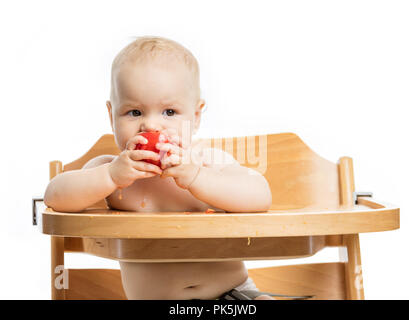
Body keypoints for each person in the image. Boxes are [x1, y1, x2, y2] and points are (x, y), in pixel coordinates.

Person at [44, 36, 274, 300]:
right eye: (134, 112)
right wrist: (109, 176)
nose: (151, 126)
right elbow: (55, 197)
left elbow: (260, 195)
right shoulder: (108, 171)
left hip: (232, 295)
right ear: (111, 116)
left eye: (169, 112)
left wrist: (197, 177)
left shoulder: (207, 161)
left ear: (195, 117)